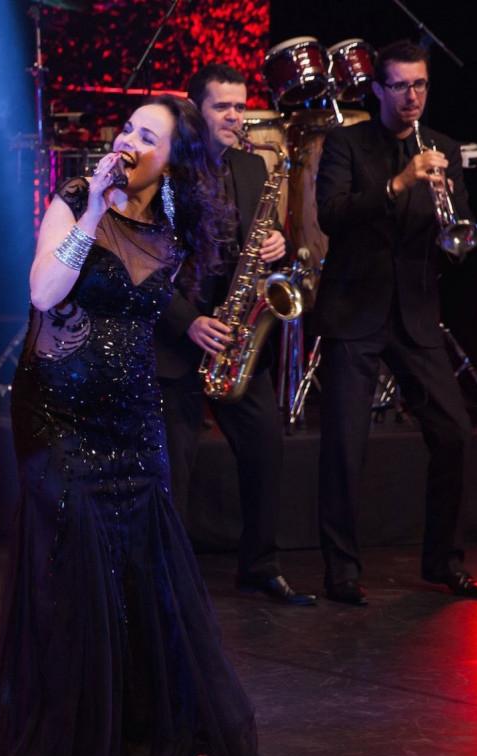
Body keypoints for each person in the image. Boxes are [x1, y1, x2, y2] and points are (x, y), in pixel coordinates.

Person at [0, 96, 263, 756]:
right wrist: (91, 213)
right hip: (58, 410)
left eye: (149, 135)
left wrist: (271, 252)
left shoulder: (179, 223)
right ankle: (63, 734)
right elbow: (45, 290)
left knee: (140, 568)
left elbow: (187, 293)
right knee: (70, 565)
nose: (130, 139)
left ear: (174, 158)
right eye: (128, 128)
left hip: (132, 412)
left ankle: (133, 730)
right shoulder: (76, 196)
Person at [315, 40, 476, 606]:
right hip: (354, 309)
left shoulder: (445, 149)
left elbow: (457, 236)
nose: (414, 96)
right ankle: (341, 569)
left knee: (454, 434)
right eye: (403, 86)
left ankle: (443, 561)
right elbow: (331, 216)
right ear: (378, 90)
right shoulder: (345, 144)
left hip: (414, 313)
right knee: (343, 445)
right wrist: (399, 184)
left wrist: (452, 224)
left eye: (422, 85)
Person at [154, 63, 314, 605]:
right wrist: (187, 321)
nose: (234, 116)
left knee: (266, 450)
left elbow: (265, 247)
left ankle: (260, 565)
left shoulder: (253, 167)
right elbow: (142, 267)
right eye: (223, 106)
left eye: (241, 106)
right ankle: (168, 578)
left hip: (238, 337)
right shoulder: (167, 174)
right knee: (175, 467)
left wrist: (278, 249)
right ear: (195, 108)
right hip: (179, 338)